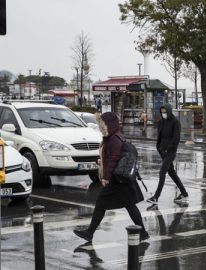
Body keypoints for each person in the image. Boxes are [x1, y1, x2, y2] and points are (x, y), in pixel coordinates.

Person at [73, 112, 149, 242]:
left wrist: (106, 177)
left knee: (102, 205)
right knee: (129, 205)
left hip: (116, 179)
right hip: (119, 179)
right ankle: (143, 232)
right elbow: (110, 156)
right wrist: (101, 160)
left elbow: (115, 159)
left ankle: (89, 233)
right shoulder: (112, 137)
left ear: (109, 125)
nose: (101, 128)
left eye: (102, 125)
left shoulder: (114, 139)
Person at [146, 103, 189, 204]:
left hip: (170, 152)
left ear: (169, 111)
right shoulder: (161, 121)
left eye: (165, 112)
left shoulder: (175, 122)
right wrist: (159, 148)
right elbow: (160, 135)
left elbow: (176, 138)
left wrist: (168, 148)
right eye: (162, 112)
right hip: (162, 150)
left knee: (162, 173)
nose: (163, 114)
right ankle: (184, 193)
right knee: (172, 173)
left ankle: (156, 197)